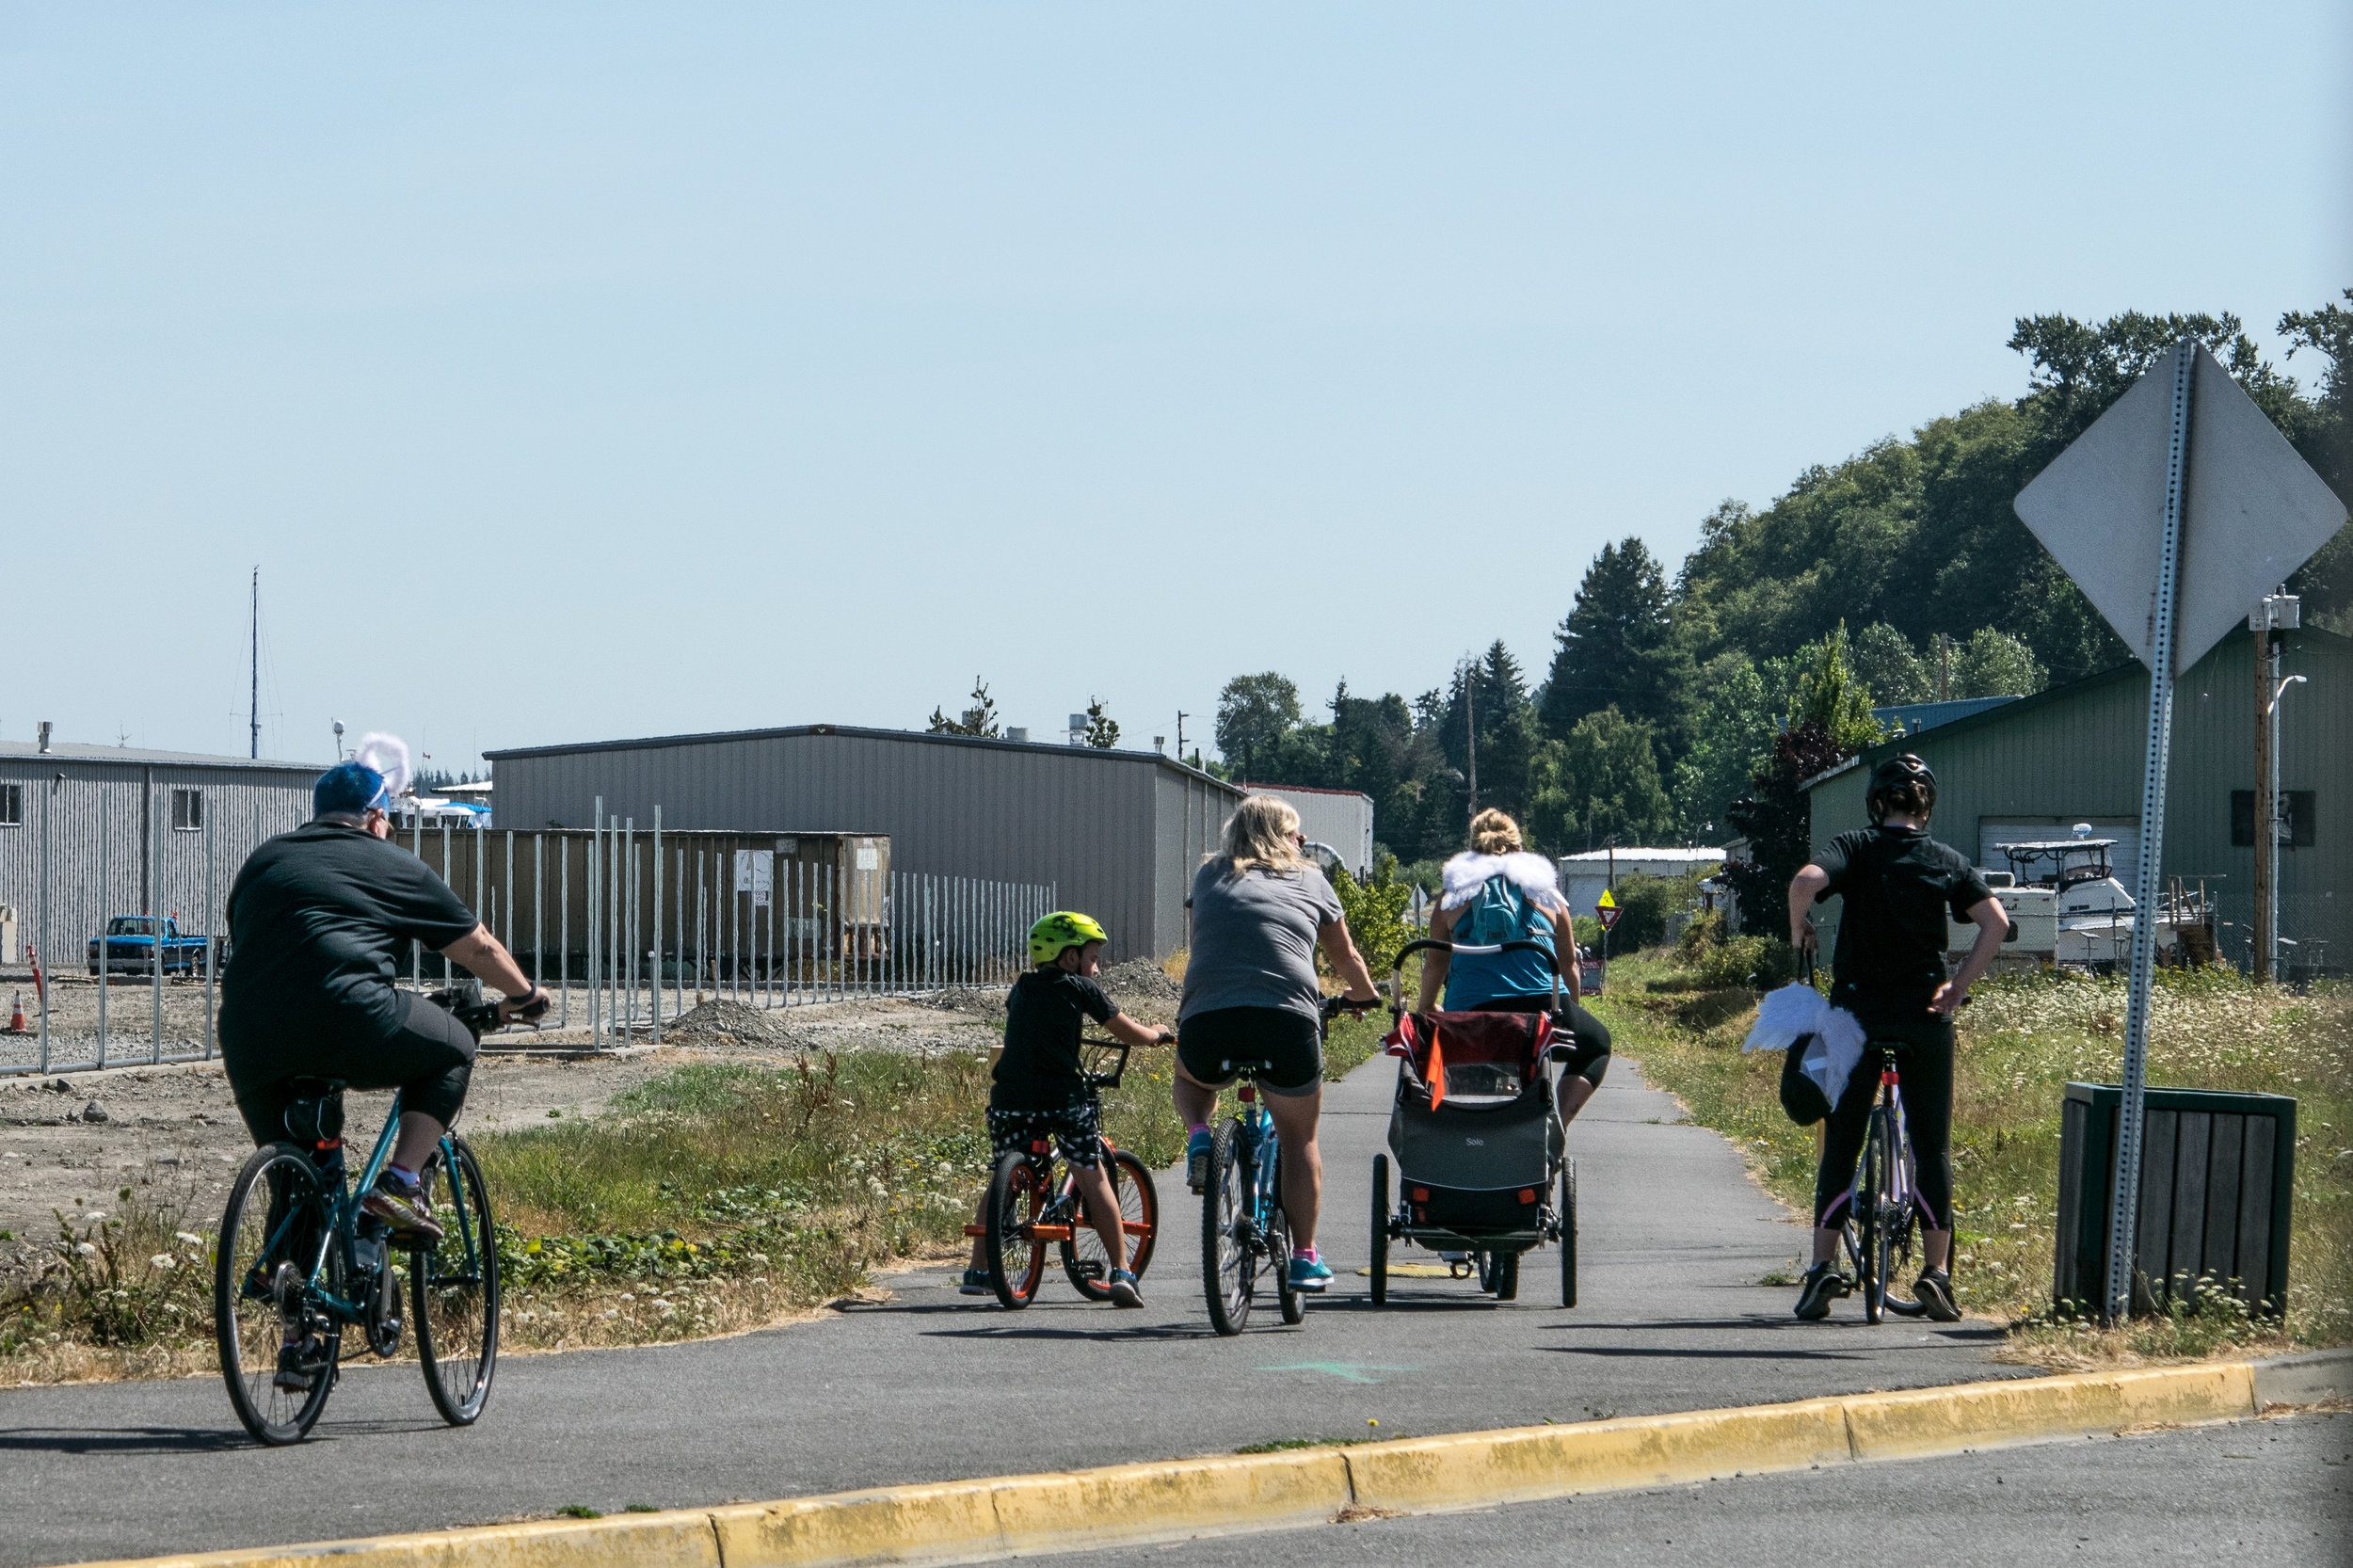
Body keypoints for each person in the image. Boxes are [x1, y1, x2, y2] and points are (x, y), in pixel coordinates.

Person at [219, 738, 546, 1327]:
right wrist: (524, 995)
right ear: (376, 818)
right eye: (389, 820)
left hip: (250, 1038)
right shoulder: (390, 861)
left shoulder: (265, 861)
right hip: (349, 1015)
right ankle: (400, 1183)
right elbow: (476, 946)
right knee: (454, 1047)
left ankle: (297, 1333)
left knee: (304, 1179)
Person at [1786, 753, 2008, 1323]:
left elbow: (1806, 881)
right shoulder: (1946, 860)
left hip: (1856, 1019)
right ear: (1926, 807)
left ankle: (1822, 1270)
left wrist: (1800, 924)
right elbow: (1997, 924)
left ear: (1877, 803)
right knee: (1931, 1146)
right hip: (1922, 1020)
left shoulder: (1855, 848)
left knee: (1842, 1142)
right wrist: (1956, 988)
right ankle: (1936, 1275)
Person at [1174, 795, 1380, 1294]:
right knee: (1299, 1141)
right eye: (1296, 834)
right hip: (1284, 1020)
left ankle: (1200, 1132)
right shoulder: (1312, 879)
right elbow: (1345, 954)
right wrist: (1365, 996)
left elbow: (1211, 940)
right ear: (1281, 838)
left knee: (1190, 1078)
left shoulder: (1209, 877)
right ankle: (1306, 1256)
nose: (1302, 842)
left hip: (1209, 1018)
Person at [962, 911, 1174, 1306]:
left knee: (1001, 1175)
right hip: (1062, 1099)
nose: (1098, 965)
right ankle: (1123, 1272)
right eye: (1093, 956)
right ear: (1070, 956)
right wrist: (1157, 1035)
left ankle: (978, 1270)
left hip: (1009, 1098)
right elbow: (1127, 1032)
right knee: (1091, 1176)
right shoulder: (1080, 988)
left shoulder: (1021, 987)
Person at [1420, 808, 1612, 1128]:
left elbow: (1435, 965)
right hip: (1540, 1015)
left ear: (1472, 851)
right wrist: (1568, 1013)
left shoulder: (1450, 901)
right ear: (1518, 849)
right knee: (1598, 1044)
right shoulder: (1549, 898)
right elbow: (1569, 967)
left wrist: (1427, 1007)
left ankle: (1445, 1129)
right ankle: (1556, 1126)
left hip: (1472, 1018)